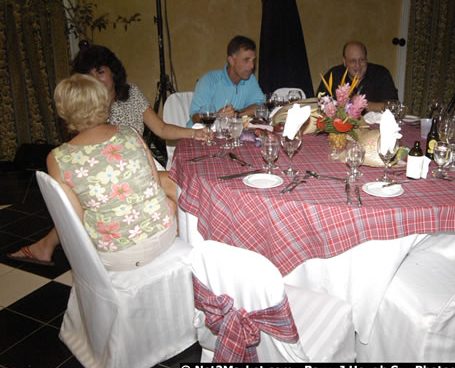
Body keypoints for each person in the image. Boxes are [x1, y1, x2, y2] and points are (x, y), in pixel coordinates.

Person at [8, 45, 207, 266]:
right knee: (166, 186)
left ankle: (46, 245)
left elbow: (160, 129)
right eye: (89, 75)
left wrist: (194, 133)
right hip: (116, 179)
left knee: (163, 184)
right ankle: (193, 241)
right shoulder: (123, 131)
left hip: (136, 169)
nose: (97, 80)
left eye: (100, 72)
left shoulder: (130, 96)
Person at [42, 74, 176, 270]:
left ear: (63, 111)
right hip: (165, 235)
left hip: (117, 256)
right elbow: (154, 185)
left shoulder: (58, 158)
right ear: (104, 102)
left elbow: (74, 220)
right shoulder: (130, 132)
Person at [188, 35, 265, 125]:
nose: (252, 66)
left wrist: (237, 114)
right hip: (199, 136)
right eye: (246, 60)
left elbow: (260, 107)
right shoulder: (209, 80)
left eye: (253, 60)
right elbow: (195, 117)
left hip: (230, 136)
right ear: (231, 60)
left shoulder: (250, 79)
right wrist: (217, 116)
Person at [316, 41, 398, 111]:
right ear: (344, 62)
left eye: (361, 60)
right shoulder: (333, 76)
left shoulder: (381, 74)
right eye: (352, 61)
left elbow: (394, 107)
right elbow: (318, 105)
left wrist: (363, 104)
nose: (358, 65)